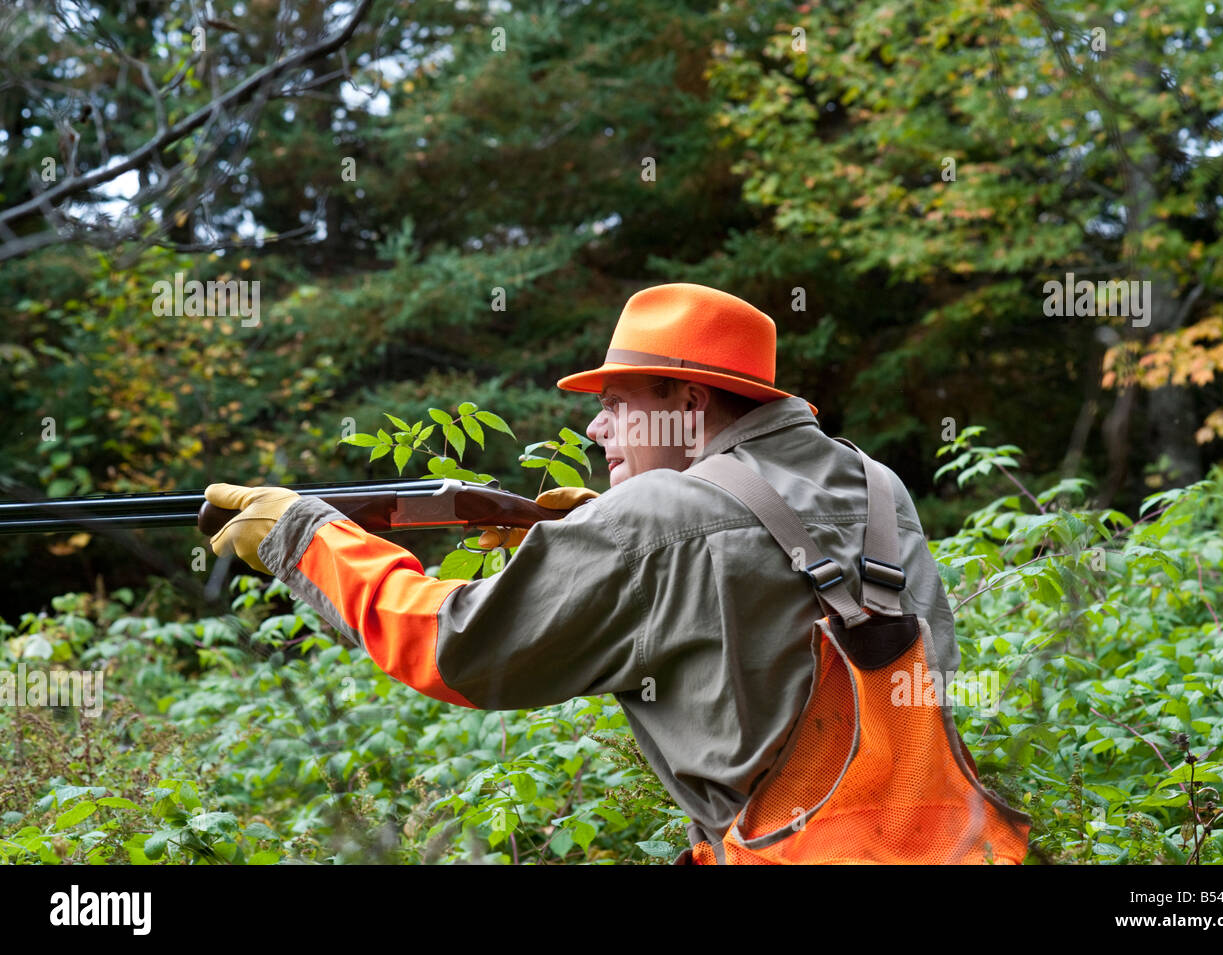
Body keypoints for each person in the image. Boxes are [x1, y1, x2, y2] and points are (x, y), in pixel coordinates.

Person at [205, 282, 964, 864]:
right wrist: (591, 530)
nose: (596, 427)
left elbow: (454, 645)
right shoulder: (875, 487)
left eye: (614, 403)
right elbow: (762, 564)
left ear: (687, 403)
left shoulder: (661, 522)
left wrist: (305, 535)